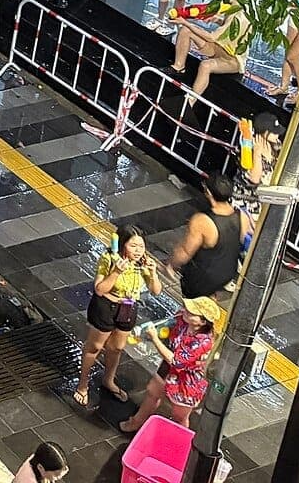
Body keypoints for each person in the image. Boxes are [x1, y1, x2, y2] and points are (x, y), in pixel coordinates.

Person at [74, 224, 160, 408]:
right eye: (133, 246)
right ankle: (82, 384)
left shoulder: (142, 262)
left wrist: (153, 273)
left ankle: (109, 380)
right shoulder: (109, 258)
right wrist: (116, 272)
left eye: (141, 246)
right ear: (122, 245)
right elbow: (99, 289)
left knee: (117, 348)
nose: (138, 251)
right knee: (95, 346)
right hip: (105, 306)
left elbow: (156, 291)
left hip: (128, 308)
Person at [118, 297, 221, 436]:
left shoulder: (202, 342)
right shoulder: (183, 321)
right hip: (167, 369)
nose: (186, 311)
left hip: (187, 381)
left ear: (202, 322)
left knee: (179, 415)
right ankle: (137, 421)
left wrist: (154, 339)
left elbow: (177, 361)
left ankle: (180, 439)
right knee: (152, 392)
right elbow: (165, 325)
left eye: (191, 312)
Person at [170, 174, 244, 298]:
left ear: (209, 193)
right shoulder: (241, 215)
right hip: (227, 274)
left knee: (192, 311)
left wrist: (171, 265)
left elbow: (185, 252)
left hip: (201, 280)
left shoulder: (202, 221)